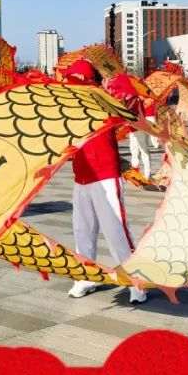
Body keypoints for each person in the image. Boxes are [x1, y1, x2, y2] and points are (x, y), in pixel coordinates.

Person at [61, 59, 146, 304]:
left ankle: (135, 282)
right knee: (82, 230)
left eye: (72, 77)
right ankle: (86, 277)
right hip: (81, 176)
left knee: (115, 229)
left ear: (83, 78)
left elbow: (131, 106)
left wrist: (117, 82)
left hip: (105, 175)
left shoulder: (103, 97)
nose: (67, 82)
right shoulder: (70, 103)